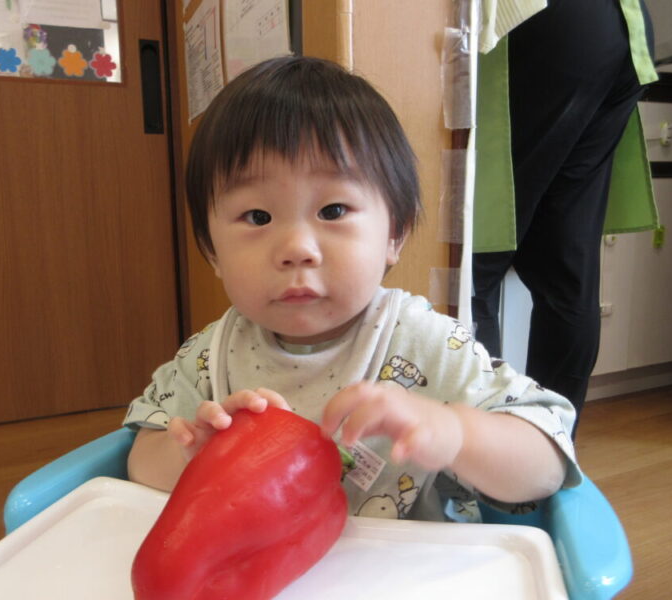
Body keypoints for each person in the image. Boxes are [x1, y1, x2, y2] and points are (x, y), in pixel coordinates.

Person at [124, 56, 580, 522]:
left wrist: (455, 433)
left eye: (333, 211)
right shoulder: (209, 356)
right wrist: (193, 455)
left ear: (394, 234)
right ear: (212, 250)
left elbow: (546, 464)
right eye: (258, 217)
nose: (297, 249)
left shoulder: (427, 345)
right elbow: (138, 459)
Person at [472, 0, 658, 435]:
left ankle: (483, 458)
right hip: (622, 26)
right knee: (564, 276)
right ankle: (550, 450)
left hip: (548, 20)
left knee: (474, 268)